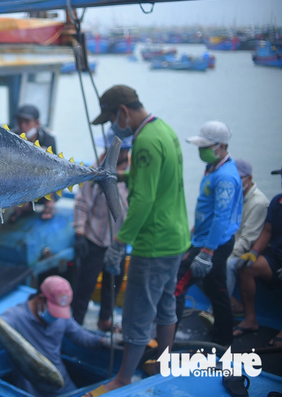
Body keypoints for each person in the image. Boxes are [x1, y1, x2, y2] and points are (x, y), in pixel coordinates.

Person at [85, 85, 189, 397]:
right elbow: (158, 178)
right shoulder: (164, 129)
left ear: (123, 112)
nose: (114, 125)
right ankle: (164, 361)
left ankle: (123, 379)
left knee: (137, 311)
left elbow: (143, 200)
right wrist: (120, 176)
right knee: (166, 304)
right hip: (177, 236)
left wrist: (119, 243)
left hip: (153, 242)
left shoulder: (143, 142)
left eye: (113, 118)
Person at [175, 121, 242, 348]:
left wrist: (207, 252)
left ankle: (165, 340)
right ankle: (223, 342)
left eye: (206, 146)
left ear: (221, 146)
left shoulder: (225, 177)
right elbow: (208, 207)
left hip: (212, 244)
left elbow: (222, 217)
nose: (201, 150)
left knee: (176, 287)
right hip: (204, 239)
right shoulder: (212, 167)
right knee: (218, 290)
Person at [1, 276, 119, 397]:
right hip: (31, 388)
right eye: (53, 311)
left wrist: (104, 341)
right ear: (41, 298)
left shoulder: (62, 318)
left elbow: (79, 335)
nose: (56, 317)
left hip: (62, 385)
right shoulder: (15, 316)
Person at [71, 131, 131, 332]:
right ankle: (75, 323)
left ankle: (105, 320)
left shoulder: (134, 172)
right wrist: (79, 233)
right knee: (85, 284)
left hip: (118, 241)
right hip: (94, 238)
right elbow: (82, 202)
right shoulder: (96, 170)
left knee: (113, 284)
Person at [232, 163, 282, 347]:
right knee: (247, 267)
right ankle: (250, 320)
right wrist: (253, 253)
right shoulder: (277, 202)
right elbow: (267, 231)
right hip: (275, 258)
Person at [226, 158, 269, 314]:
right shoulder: (232, 196)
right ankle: (231, 303)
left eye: (239, 178)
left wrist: (222, 253)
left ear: (249, 178)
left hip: (245, 253)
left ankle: (216, 309)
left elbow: (246, 241)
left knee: (225, 264)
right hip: (231, 245)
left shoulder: (258, 203)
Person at [11, 104, 57, 220]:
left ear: (37, 123)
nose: (23, 125)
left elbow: (53, 167)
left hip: (41, 178)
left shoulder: (48, 139)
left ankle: (49, 203)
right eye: (20, 121)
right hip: (20, 178)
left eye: (27, 121)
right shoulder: (12, 137)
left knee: (50, 173)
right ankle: (23, 206)